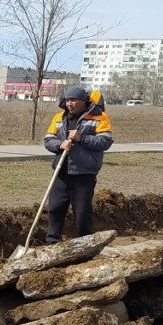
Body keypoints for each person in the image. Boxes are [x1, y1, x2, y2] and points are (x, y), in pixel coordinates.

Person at [42, 85, 113, 243]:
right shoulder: (59, 117)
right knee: (54, 209)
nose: (69, 104)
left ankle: (84, 244)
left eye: (73, 100)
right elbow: (48, 139)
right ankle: (52, 243)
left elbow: (105, 141)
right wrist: (60, 145)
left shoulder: (99, 117)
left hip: (84, 173)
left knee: (82, 213)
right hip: (61, 171)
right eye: (67, 100)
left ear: (83, 101)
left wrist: (82, 138)